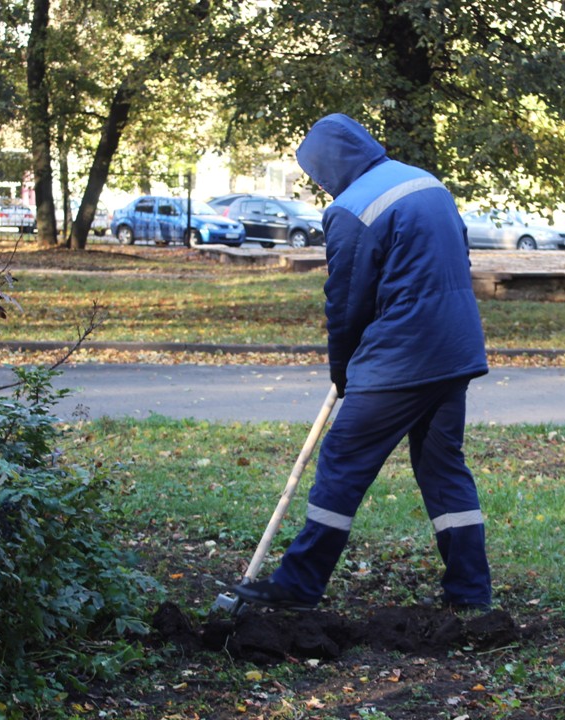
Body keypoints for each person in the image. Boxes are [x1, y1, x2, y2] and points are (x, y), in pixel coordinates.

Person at [231, 113, 492, 612]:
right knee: (443, 468)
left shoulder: (352, 209)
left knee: (342, 462)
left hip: (402, 357)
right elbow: (456, 257)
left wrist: (342, 367)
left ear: (328, 167)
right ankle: (471, 593)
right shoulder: (426, 183)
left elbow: (347, 301)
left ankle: (298, 586)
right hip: (456, 350)